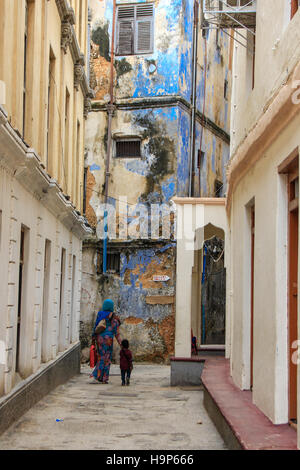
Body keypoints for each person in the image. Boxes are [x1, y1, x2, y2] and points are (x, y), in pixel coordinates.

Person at [90, 299, 122, 384]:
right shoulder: (114, 317)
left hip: (99, 339)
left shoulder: (100, 314)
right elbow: (117, 333)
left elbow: (96, 326)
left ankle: (98, 375)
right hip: (108, 340)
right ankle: (104, 378)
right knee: (107, 359)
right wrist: (121, 344)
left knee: (101, 357)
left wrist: (93, 338)